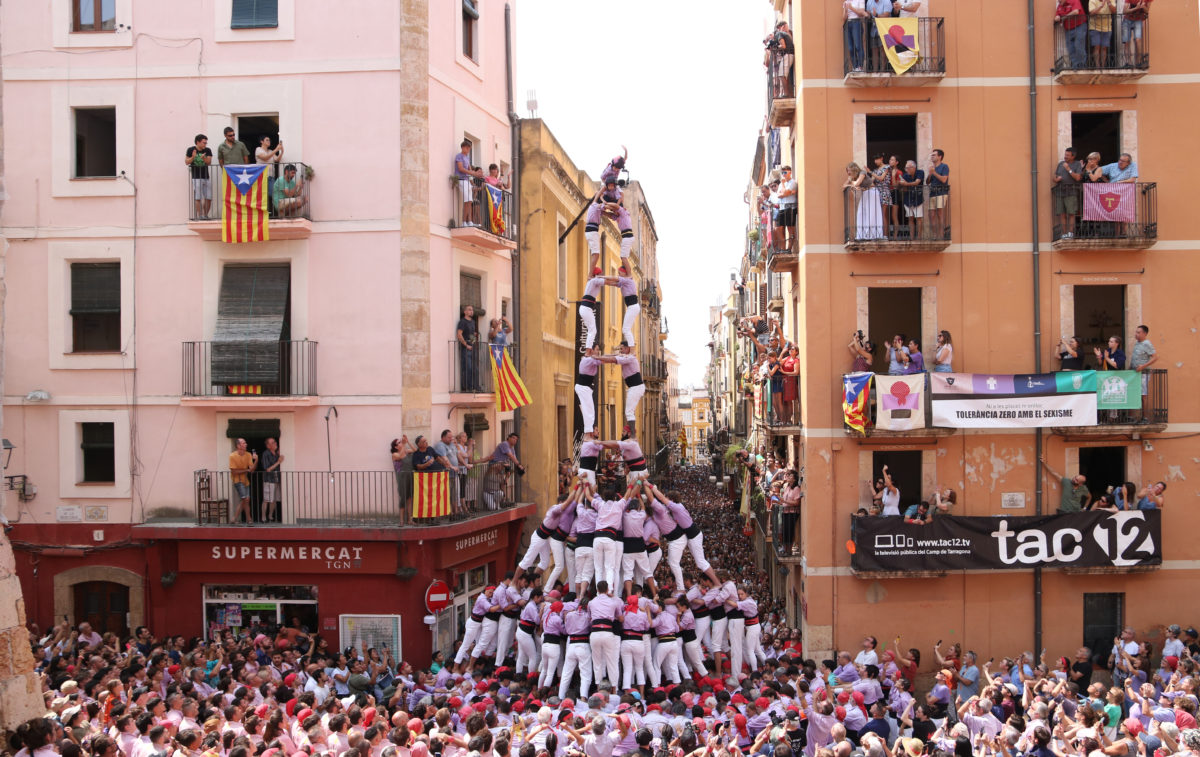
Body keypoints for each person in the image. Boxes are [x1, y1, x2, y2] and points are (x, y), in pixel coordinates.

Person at [585, 150, 634, 270]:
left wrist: (612, 205)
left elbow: (618, 203)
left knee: (623, 256)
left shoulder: (621, 210)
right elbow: (608, 211)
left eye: (619, 168)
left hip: (625, 232)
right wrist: (600, 202)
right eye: (617, 168)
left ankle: (626, 273)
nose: (618, 170)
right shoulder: (608, 176)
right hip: (605, 200)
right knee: (623, 256)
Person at [844, 163, 883, 241]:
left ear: (853, 169)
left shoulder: (862, 173)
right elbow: (844, 186)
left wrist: (852, 184)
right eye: (847, 171)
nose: (848, 173)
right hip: (865, 193)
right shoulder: (852, 178)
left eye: (849, 170)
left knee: (871, 213)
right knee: (861, 213)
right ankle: (862, 235)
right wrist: (851, 184)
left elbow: (858, 183)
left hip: (872, 192)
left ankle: (871, 235)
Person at [1053, 148, 1083, 240]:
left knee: (1071, 213)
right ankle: (1064, 233)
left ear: (1073, 156)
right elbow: (1055, 176)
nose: (1065, 157)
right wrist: (1056, 179)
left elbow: (1078, 178)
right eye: (1065, 155)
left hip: (1071, 192)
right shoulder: (1060, 164)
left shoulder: (1077, 164)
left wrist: (1068, 169)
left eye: (1067, 155)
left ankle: (1070, 233)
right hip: (1060, 192)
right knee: (1062, 213)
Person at [1130, 324, 1158, 423]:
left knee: (1143, 395)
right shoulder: (1137, 343)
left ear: (1145, 333)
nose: (1136, 334)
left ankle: (1145, 418)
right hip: (1135, 373)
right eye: (1136, 332)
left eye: (1138, 332)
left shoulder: (1147, 344)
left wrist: (1143, 366)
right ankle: (1134, 417)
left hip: (1143, 374)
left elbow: (1155, 357)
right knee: (1134, 394)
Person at [228, 437, 257, 524]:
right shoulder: (232, 456)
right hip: (237, 480)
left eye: (245, 443)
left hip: (245, 481)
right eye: (243, 443)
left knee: (246, 500)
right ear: (238, 446)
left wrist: (256, 460)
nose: (246, 444)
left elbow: (252, 469)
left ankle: (247, 519)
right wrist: (246, 470)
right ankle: (237, 518)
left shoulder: (248, 454)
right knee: (245, 499)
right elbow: (234, 471)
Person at [455, 140, 483, 226]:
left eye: (469, 149)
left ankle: (469, 221)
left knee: (470, 201)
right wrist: (473, 173)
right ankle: (464, 222)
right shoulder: (459, 156)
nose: (468, 150)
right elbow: (461, 168)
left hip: (467, 181)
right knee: (467, 200)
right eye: (467, 148)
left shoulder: (467, 158)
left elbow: (469, 169)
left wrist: (476, 175)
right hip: (461, 179)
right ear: (463, 147)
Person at [185, 134, 213, 219]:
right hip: (196, 177)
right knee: (198, 197)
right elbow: (186, 162)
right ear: (198, 142)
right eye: (204, 143)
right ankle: (200, 215)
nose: (205, 144)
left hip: (206, 176)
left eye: (206, 143)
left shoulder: (207, 150)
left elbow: (208, 162)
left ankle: (205, 215)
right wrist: (193, 157)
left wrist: (204, 158)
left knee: (208, 197)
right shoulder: (190, 150)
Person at [896, 160, 925, 240]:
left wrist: (906, 184)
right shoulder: (905, 176)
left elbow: (917, 182)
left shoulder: (920, 172)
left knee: (918, 218)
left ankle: (919, 238)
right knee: (910, 218)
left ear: (913, 167)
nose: (907, 170)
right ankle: (912, 238)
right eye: (906, 168)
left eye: (908, 168)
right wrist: (900, 184)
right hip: (907, 199)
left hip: (917, 199)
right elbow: (904, 189)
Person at [1055, 0, 1087, 69]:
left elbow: (1076, 12)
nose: (1058, 1)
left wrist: (1064, 17)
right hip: (1068, 29)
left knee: (1079, 46)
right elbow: (1057, 16)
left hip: (1079, 26)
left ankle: (1081, 66)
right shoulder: (1060, 6)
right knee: (1070, 49)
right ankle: (1075, 66)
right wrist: (1057, 17)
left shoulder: (1074, 1)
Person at [576, 349, 601, 435]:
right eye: (597, 349)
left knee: (589, 412)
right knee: (589, 412)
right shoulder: (589, 360)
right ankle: (588, 434)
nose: (598, 351)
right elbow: (602, 360)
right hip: (583, 388)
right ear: (591, 350)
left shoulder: (589, 360)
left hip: (585, 388)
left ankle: (588, 432)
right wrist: (616, 357)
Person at [926, 150, 949, 240]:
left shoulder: (944, 167)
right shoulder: (933, 168)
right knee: (931, 215)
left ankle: (941, 235)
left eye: (934, 155)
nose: (932, 157)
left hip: (941, 193)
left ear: (940, 157)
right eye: (932, 155)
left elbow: (944, 180)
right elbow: (928, 182)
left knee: (940, 213)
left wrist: (934, 173)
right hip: (932, 193)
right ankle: (935, 235)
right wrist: (930, 174)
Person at [615, 266, 641, 348]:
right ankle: (631, 347)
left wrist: (601, 277)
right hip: (632, 307)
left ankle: (632, 349)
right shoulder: (623, 282)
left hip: (633, 306)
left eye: (619, 272)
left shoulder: (627, 280)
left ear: (624, 272)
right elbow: (613, 283)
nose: (618, 274)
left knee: (626, 329)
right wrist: (601, 281)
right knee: (625, 329)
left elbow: (614, 279)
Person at [259, 437, 283, 523]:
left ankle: (270, 516)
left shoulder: (276, 454)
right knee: (267, 500)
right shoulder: (266, 454)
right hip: (269, 480)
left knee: (274, 500)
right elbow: (267, 469)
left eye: (275, 442)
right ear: (268, 446)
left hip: (277, 479)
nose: (275, 443)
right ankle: (263, 518)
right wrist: (278, 462)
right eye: (273, 442)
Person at [456, 304, 479, 392]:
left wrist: (474, 336)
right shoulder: (462, 322)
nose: (471, 311)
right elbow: (459, 334)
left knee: (475, 368)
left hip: (472, 346)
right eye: (469, 310)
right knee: (467, 368)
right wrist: (466, 345)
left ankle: (475, 387)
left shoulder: (473, 322)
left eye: (472, 310)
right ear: (465, 312)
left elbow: (472, 334)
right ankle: (467, 387)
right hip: (466, 348)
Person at [1122, 0, 1151, 68]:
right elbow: (1124, 11)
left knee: (1138, 40)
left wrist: (1143, 7)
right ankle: (1127, 62)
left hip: (1138, 20)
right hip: (1127, 20)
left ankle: (1138, 62)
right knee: (1127, 41)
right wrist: (1136, 8)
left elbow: (1147, 11)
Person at [871, 155, 894, 238]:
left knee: (883, 214)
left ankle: (885, 235)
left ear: (881, 159)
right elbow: (871, 181)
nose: (875, 161)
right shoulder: (875, 170)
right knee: (879, 214)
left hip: (884, 191)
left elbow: (881, 178)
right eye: (874, 160)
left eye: (876, 159)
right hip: (877, 192)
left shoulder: (887, 167)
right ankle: (878, 234)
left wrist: (870, 172)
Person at [843, 0, 868, 72]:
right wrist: (846, 10)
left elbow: (861, 14)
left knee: (858, 45)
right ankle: (855, 66)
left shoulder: (860, 0)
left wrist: (851, 8)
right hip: (848, 23)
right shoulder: (845, 2)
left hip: (856, 22)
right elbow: (843, 18)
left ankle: (860, 66)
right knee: (851, 48)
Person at [777, 166, 798, 251]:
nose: (783, 175)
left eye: (785, 172)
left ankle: (789, 248)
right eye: (782, 173)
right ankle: (783, 248)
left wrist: (783, 189)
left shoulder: (792, 182)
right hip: (782, 208)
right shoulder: (783, 184)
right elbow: (779, 195)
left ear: (790, 172)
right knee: (780, 228)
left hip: (790, 207)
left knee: (790, 228)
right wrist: (785, 193)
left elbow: (785, 192)